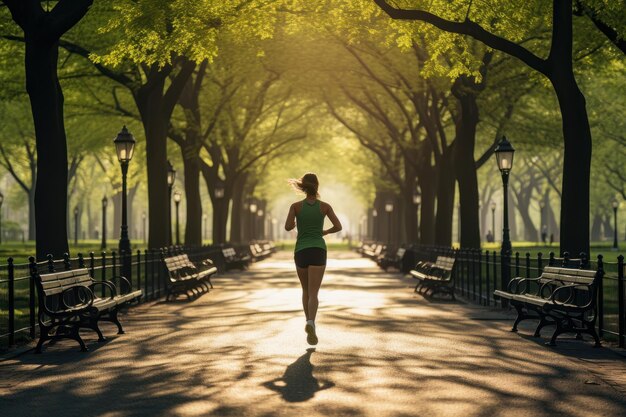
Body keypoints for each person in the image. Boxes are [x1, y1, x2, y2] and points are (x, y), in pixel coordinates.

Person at [284, 173, 342, 345]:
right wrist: (324, 232)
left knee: (305, 291)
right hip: (318, 249)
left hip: (301, 250)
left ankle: (308, 320)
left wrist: (295, 223)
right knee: (314, 292)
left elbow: (287, 227)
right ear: (317, 186)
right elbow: (338, 226)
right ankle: (311, 323)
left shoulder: (295, 206)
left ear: (303, 187)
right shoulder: (324, 207)